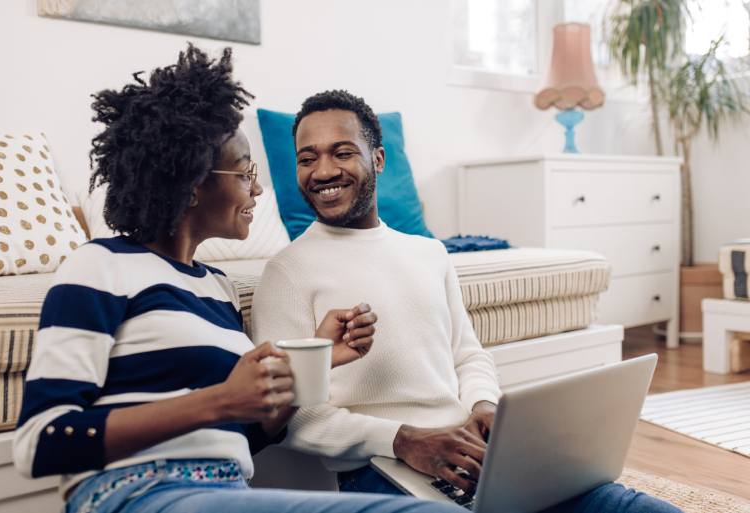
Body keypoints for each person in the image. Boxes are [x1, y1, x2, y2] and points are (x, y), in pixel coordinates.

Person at [12, 46, 462, 513]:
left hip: (229, 489)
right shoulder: (100, 265)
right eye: (246, 171)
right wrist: (220, 400)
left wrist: (319, 358)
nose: (259, 188)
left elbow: (249, 439)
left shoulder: (217, 288)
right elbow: (38, 443)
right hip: (136, 492)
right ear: (192, 182)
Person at [250, 90, 683, 513]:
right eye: (307, 158)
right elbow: (288, 417)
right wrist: (404, 440)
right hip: (381, 471)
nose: (323, 171)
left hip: (474, 454)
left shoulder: (429, 253)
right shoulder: (287, 272)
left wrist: (485, 405)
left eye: (342, 153)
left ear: (378, 159)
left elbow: (468, 354)